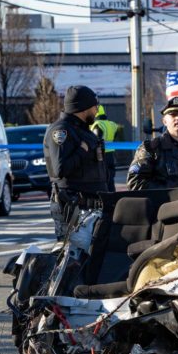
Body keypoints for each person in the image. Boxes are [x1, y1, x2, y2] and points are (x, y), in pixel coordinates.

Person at [44, 85, 107, 240]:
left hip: (91, 206)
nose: (97, 111)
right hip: (73, 207)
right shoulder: (61, 130)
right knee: (73, 258)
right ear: (84, 108)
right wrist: (82, 151)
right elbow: (60, 169)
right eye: (95, 107)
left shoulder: (83, 130)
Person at [90, 104, 119, 192]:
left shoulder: (97, 124)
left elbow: (96, 140)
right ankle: (113, 198)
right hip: (111, 155)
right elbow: (115, 137)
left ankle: (105, 199)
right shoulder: (112, 124)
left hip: (101, 156)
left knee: (102, 179)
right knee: (111, 179)